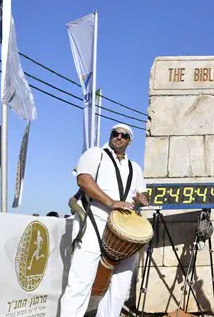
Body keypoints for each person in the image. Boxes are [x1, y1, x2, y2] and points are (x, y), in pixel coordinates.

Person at [60, 124, 149, 317]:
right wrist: (111, 202)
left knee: (121, 287)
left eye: (124, 135)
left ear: (129, 141)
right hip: (94, 221)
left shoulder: (135, 167)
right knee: (80, 282)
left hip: (123, 230)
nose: (119, 137)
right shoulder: (95, 154)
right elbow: (84, 180)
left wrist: (142, 198)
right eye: (115, 134)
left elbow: (143, 193)